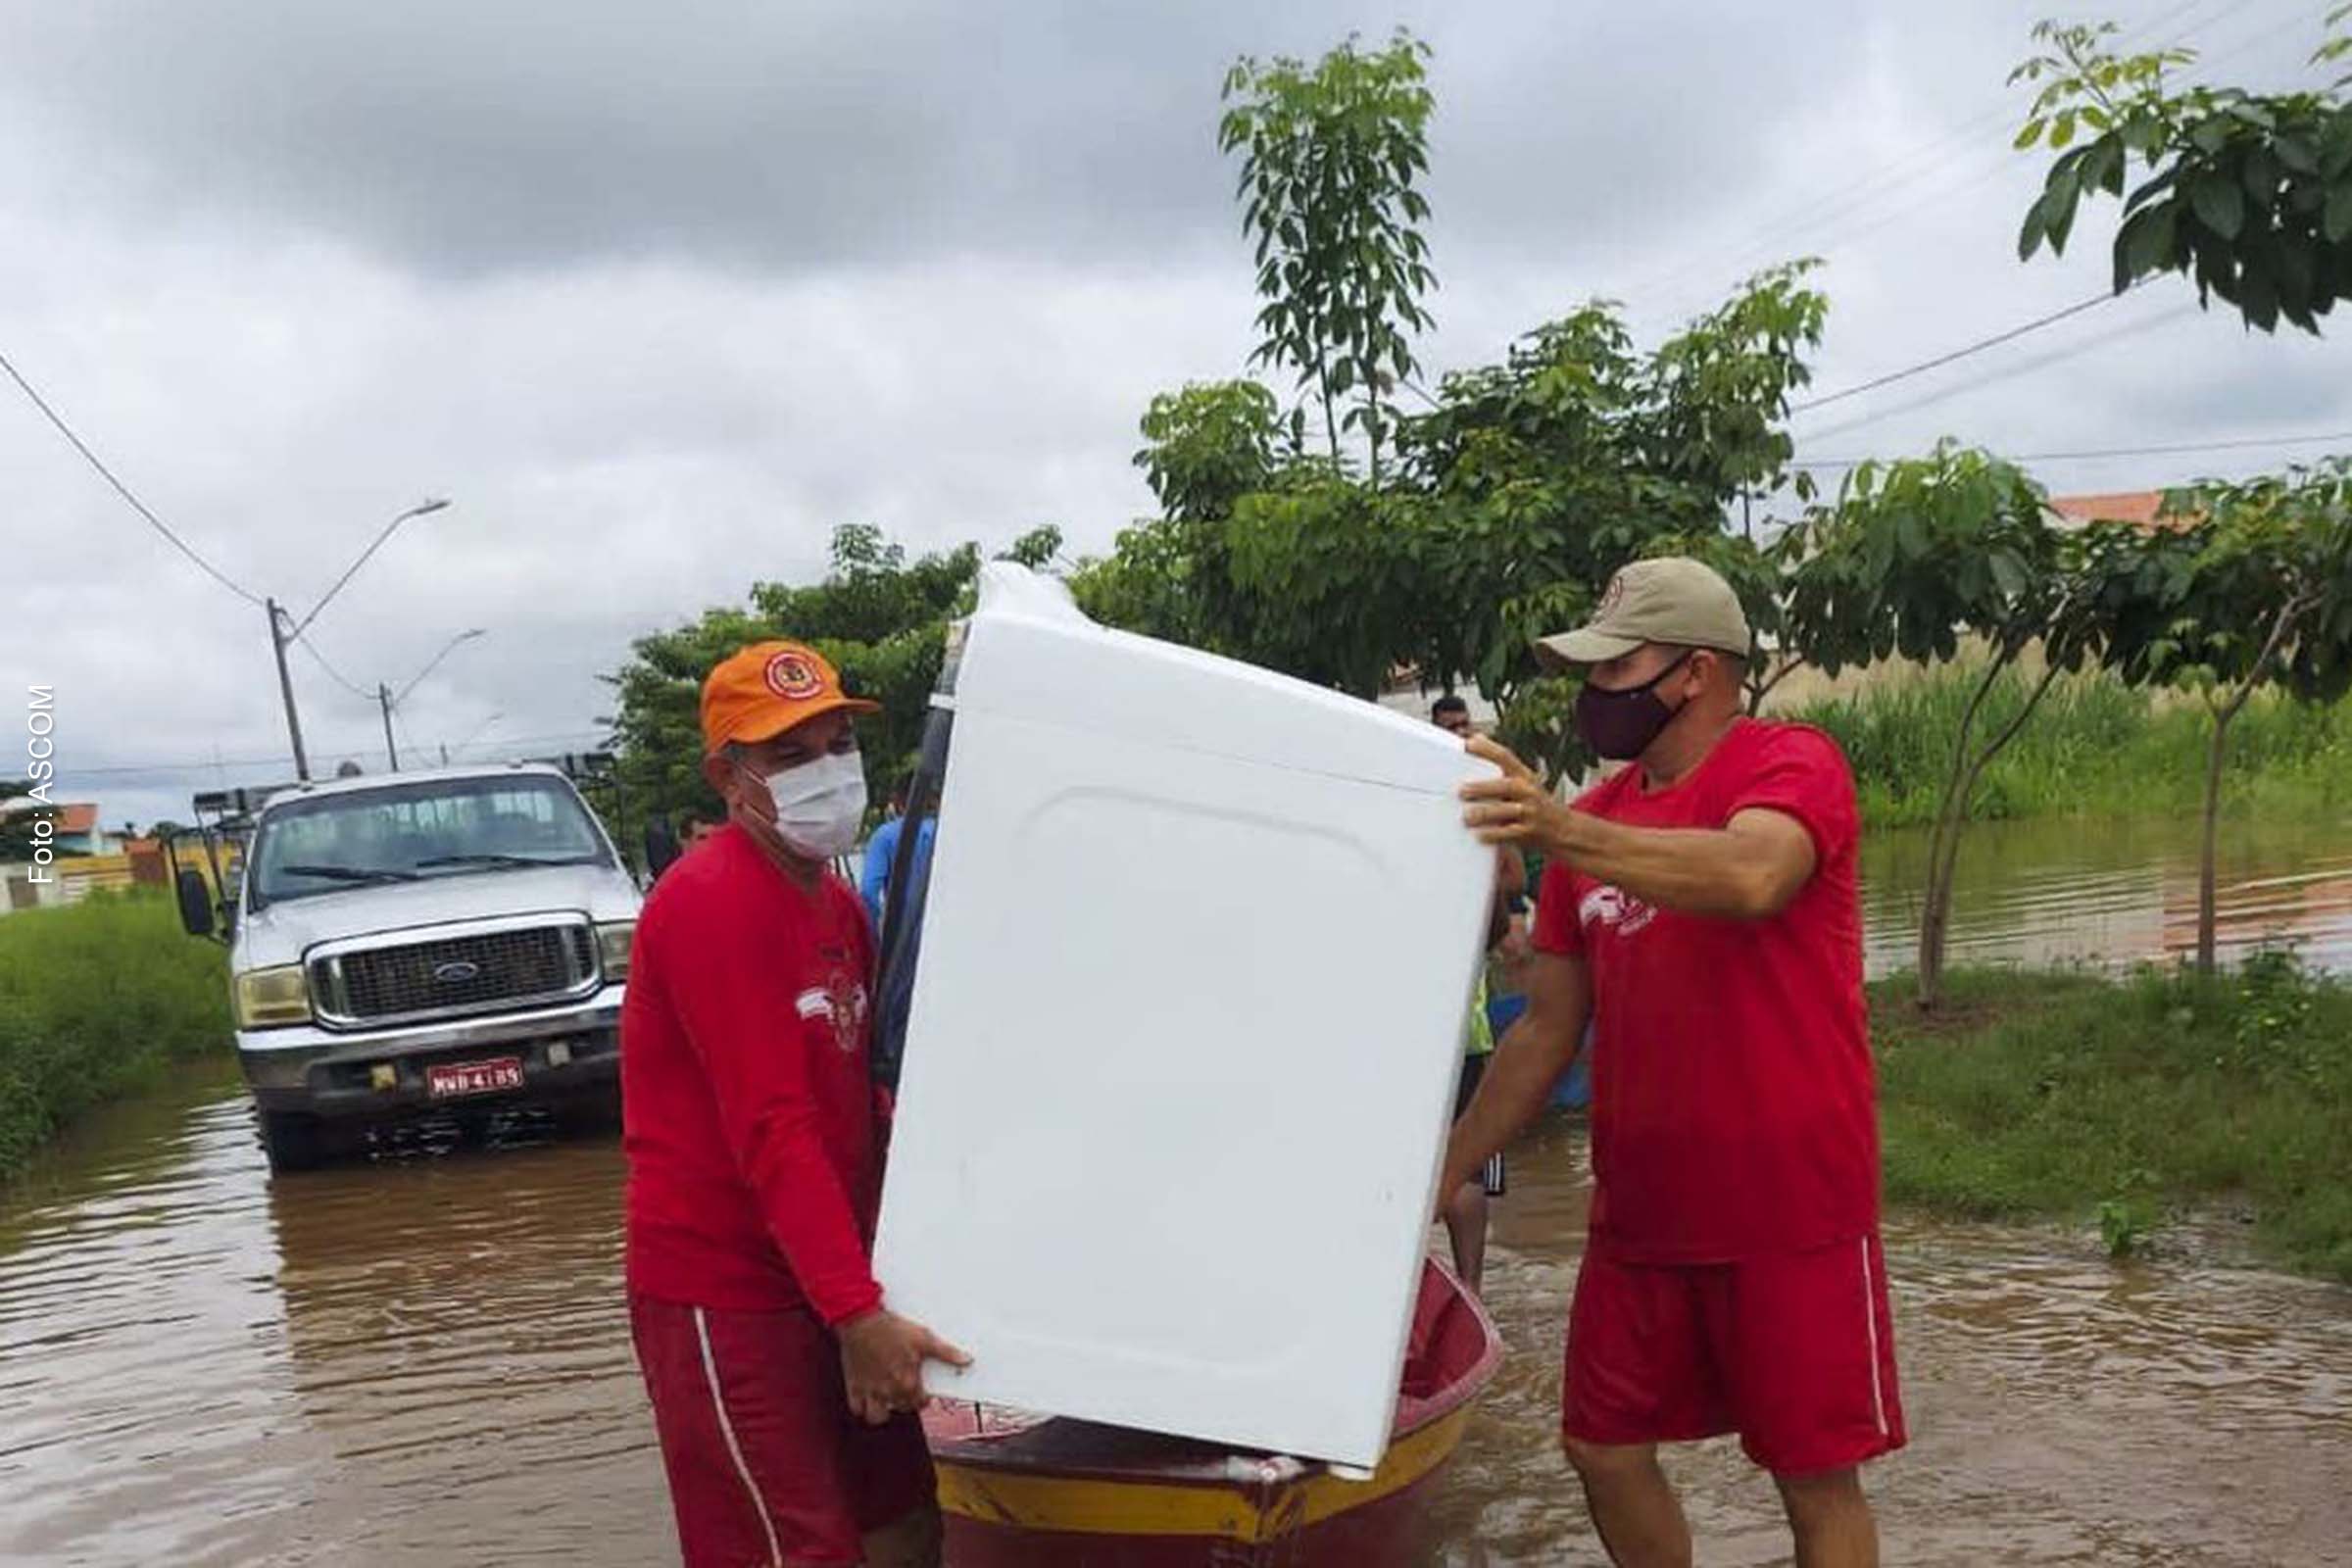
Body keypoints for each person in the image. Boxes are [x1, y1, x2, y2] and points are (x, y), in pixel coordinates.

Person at [1446, 558, 1902, 1568]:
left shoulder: (1790, 764)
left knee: (1813, 1475)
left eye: (1617, 666)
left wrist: (1563, 827)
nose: (1593, 691)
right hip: (1643, 1209)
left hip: (1790, 1205)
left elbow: (1751, 874)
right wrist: (1443, 1167)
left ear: (1696, 672)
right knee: (1601, 1448)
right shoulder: (1600, 825)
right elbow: (1541, 1032)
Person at [622, 639, 968, 1568]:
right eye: (788, 756)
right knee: (796, 1550)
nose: (827, 773)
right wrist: (857, 1315)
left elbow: (863, 1104)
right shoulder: (709, 904)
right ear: (728, 779)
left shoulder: (837, 904)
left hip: (829, 1274)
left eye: (834, 745)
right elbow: (775, 1130)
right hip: (729, 1292)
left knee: (904, 1523)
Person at [1430, 693, 1519, 1295]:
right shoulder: (1437, 802)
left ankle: (1472, 1291)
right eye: (1450, 730)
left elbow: (1509, 884)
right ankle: (1471, 1291)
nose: (1461, 737)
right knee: (1458, 1158)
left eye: (1466, 727)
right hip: (1447, 1027)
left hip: (1467, 1027)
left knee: (1469, 1158)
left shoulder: (1488, 798)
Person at [858, 782, 936, 929]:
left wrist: (873, 937)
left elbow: (869, 891)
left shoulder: (884, 836)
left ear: (898, 803)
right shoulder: (946, 833)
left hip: (902, 938)